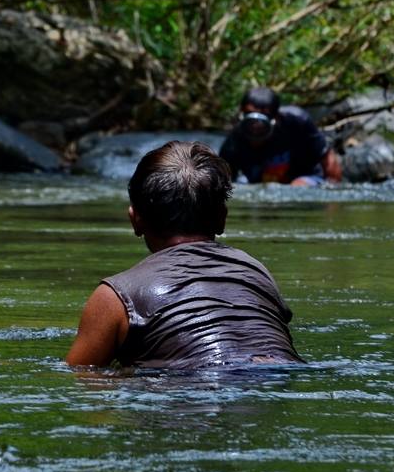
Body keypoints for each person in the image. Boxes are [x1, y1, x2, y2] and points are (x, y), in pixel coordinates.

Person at [65, 141, 304, 368]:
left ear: (135, 219)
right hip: (269, 386)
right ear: (222, 218)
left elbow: (82, 381)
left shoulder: (115, 297)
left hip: (187, 395)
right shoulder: (256, 273)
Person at [220, 86, 342, 186]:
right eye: (250, 114)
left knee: (298, 186)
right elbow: (223, 182)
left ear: (276, 117)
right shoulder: (233, 142)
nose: (256, 124)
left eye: (264, 117)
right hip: (258, 185)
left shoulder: (297, 122)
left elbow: (327, 158)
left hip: (305, 179)